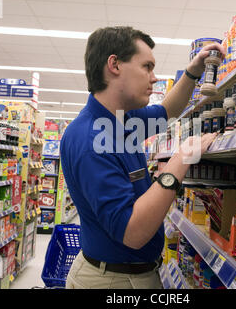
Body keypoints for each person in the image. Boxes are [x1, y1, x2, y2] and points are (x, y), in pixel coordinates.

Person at [61, 26, 224, 289]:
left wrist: (194, 71)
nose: (154, 77)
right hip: (113, 281)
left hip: (130, 273)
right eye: (147, 67)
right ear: (114, 64)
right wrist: (180, 160)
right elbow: (132, 232)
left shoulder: (120, 119)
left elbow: (167, 111)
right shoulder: (89, 140)